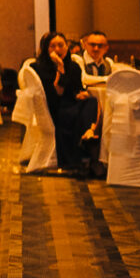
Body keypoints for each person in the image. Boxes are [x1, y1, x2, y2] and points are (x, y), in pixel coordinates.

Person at [35, 31, 99, 176]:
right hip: (55, 106)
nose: (57, 49)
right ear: (46, 49)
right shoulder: (40, 67)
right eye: (52, 46)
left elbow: (77, 89)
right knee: (74, 113)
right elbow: (59, 92)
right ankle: (81, 156)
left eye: (60, 45)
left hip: (71, 103)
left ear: (66, 47)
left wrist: (81, 93)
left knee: (92, 101)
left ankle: (89, 133)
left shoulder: (74, 66)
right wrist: (60, 66)